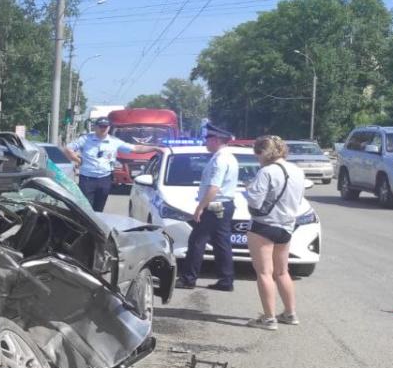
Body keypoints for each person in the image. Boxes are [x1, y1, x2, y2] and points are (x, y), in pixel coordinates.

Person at [243, 135, 307, 330]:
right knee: (282, 272)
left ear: (264, 152)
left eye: (257, 154)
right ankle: (290, 313)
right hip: (286, 226)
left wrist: (249, 189)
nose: (257, 158)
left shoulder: (267, 172)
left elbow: (255, 201)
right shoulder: (297, 171)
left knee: (264, 273)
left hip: (264, 225)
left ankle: (269, 318)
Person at [176, 123, 240, 291]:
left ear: (217, 140)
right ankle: (226, 280)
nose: (206, 141)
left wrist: (200, 208)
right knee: (221, 243)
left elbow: (214, 188)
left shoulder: (220, 159)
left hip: (214, 206)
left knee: (197, 241)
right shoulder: (228, 157)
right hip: (224, 205)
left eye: (208, 138)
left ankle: (188, 278)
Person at [64, 117, 161, 212]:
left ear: (109, 128)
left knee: (99, 208)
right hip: (87, 179)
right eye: (101, 126)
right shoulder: (85, 139)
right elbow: (68, 149)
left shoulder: (114, 141)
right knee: (85, 208)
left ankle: (95, 226)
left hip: (104, 179)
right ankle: (84, 226)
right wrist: (77, 159)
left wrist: (155, 148)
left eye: (105, 126)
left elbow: (135, 148)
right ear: (95, 127)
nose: (103, 129)